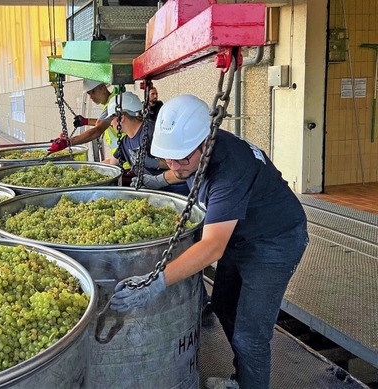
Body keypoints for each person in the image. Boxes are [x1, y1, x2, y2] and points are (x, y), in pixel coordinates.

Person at [109, 94, 309, 389]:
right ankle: (243, 378)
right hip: (240, 235)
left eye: (182, 158)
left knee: (250, 336)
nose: (175, 166)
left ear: (206, 143)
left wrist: (156, 283)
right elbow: (180, 171)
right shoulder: (194, 154)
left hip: (274, 242)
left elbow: (213, 246)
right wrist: (161, 181)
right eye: (169, 158)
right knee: (224, 305)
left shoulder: (230, 169)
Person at [104, 91, 189, 196]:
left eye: (112, 119)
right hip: (157, 195)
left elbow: (184, 167)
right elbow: (111, 163)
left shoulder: (153, 132)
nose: (111, 123)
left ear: (121, 118)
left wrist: (157, 165)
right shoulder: (125, 143)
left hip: (178, 194)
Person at [47, 79, 124, 163]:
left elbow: (97, 130)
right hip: (121, 156)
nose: (91, 97)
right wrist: (86, 121)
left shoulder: (113, 104)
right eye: (89, 93)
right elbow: (107, 123)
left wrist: (68, 142)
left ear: (103, 87)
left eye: (93, 92)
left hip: (125, 160)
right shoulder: (113, 100)